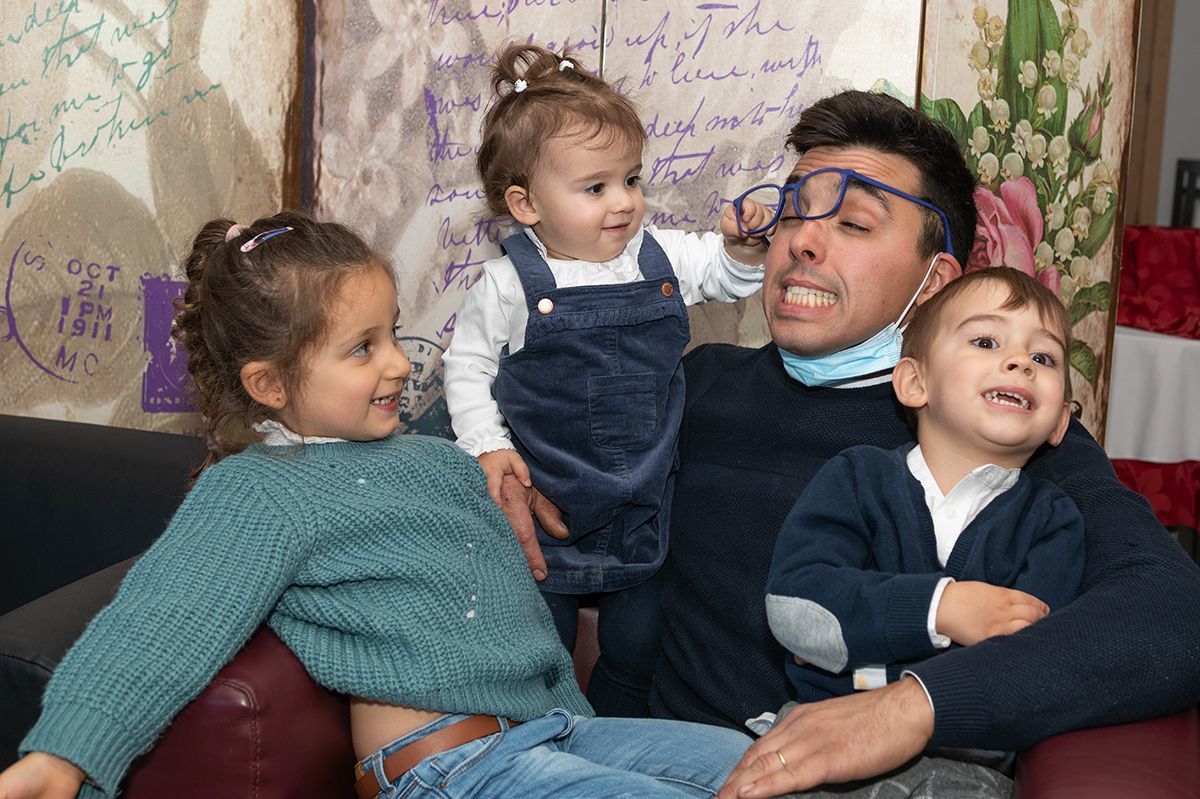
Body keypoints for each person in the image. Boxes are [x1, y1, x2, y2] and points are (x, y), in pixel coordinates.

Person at [497, 89, 1200, 799]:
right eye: (793, 212)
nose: (802, 241)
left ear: (935, 283)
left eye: (856, 223)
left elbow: (1173, 615)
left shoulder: (996, 433)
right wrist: (496, 474)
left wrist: (913, 707)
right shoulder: (689, 388)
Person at [0, 212, 752, 799]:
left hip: (552, 732)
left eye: (391, 333)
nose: (398, 361)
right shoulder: (261, 488)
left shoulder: (434, 458)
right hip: (450, 767)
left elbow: (502, 613)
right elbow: (160, 621)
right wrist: (64, 753)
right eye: (362, 348)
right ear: (269, 383)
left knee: (758, 763)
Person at [442, 43, 771, 717]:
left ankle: (618, 727)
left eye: (631, 179)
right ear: (526, 204)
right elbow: (467, 367)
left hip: (645, 496)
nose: (624, 202)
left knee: (639, 642)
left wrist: (742, 247)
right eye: (596, 188)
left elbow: (728, 277)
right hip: (547, 495)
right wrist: (487, 445)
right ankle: (547, 728)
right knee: (541, 641)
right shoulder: (508, 283)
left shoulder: (659, 254)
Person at [759, 267, 1085, 793]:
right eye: (986, 341)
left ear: (1060, 421)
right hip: (819, 738)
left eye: (1044, 358)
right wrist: (942, 610)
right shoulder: (858, 478)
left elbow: (1031, 666)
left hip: (968, 767)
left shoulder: (1052, 523)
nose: (1021, 362)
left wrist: (862, 637)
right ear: (915, 382)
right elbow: (798, 606)